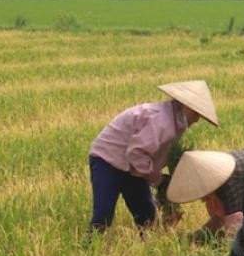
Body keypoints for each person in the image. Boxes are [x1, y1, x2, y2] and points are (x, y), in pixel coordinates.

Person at [88, 80, 218, 231]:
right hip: (107, 160)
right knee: (103, 217)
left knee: (147, 216)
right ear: (185, 106)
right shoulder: (162, 121)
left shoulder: (175, 122)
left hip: (132, 166)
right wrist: (159, 180)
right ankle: (87, 247)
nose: (197, 120)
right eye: (196, 114)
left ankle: (148, 247)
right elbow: (136, 153)